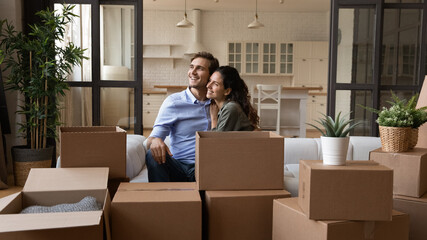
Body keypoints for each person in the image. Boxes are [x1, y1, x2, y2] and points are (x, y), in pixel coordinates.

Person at [145, 52, 219, 182]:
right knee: (151, 154)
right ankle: (161, 201)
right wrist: (155, 141)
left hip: (208, 168)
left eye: (200, 68)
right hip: (179, 167)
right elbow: (150, 140)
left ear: (211, 76)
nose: (193, 72)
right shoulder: (174, 102)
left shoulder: (218, 103)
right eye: (191, 67)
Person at [207, 66, 259, 131]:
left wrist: (214, 119)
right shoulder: (227, 107)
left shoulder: (230, 108)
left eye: (215, 84)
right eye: (210, 81)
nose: (208, 86)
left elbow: (216, 140)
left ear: (227, 91)